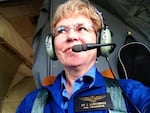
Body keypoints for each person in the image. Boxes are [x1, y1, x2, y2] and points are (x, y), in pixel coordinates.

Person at [16, 0, 150, 113]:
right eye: (62, 30)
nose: (71, 36)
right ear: (51, 45)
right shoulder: (32, 103)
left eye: (82, 28)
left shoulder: (130, 92)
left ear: (100, 41)